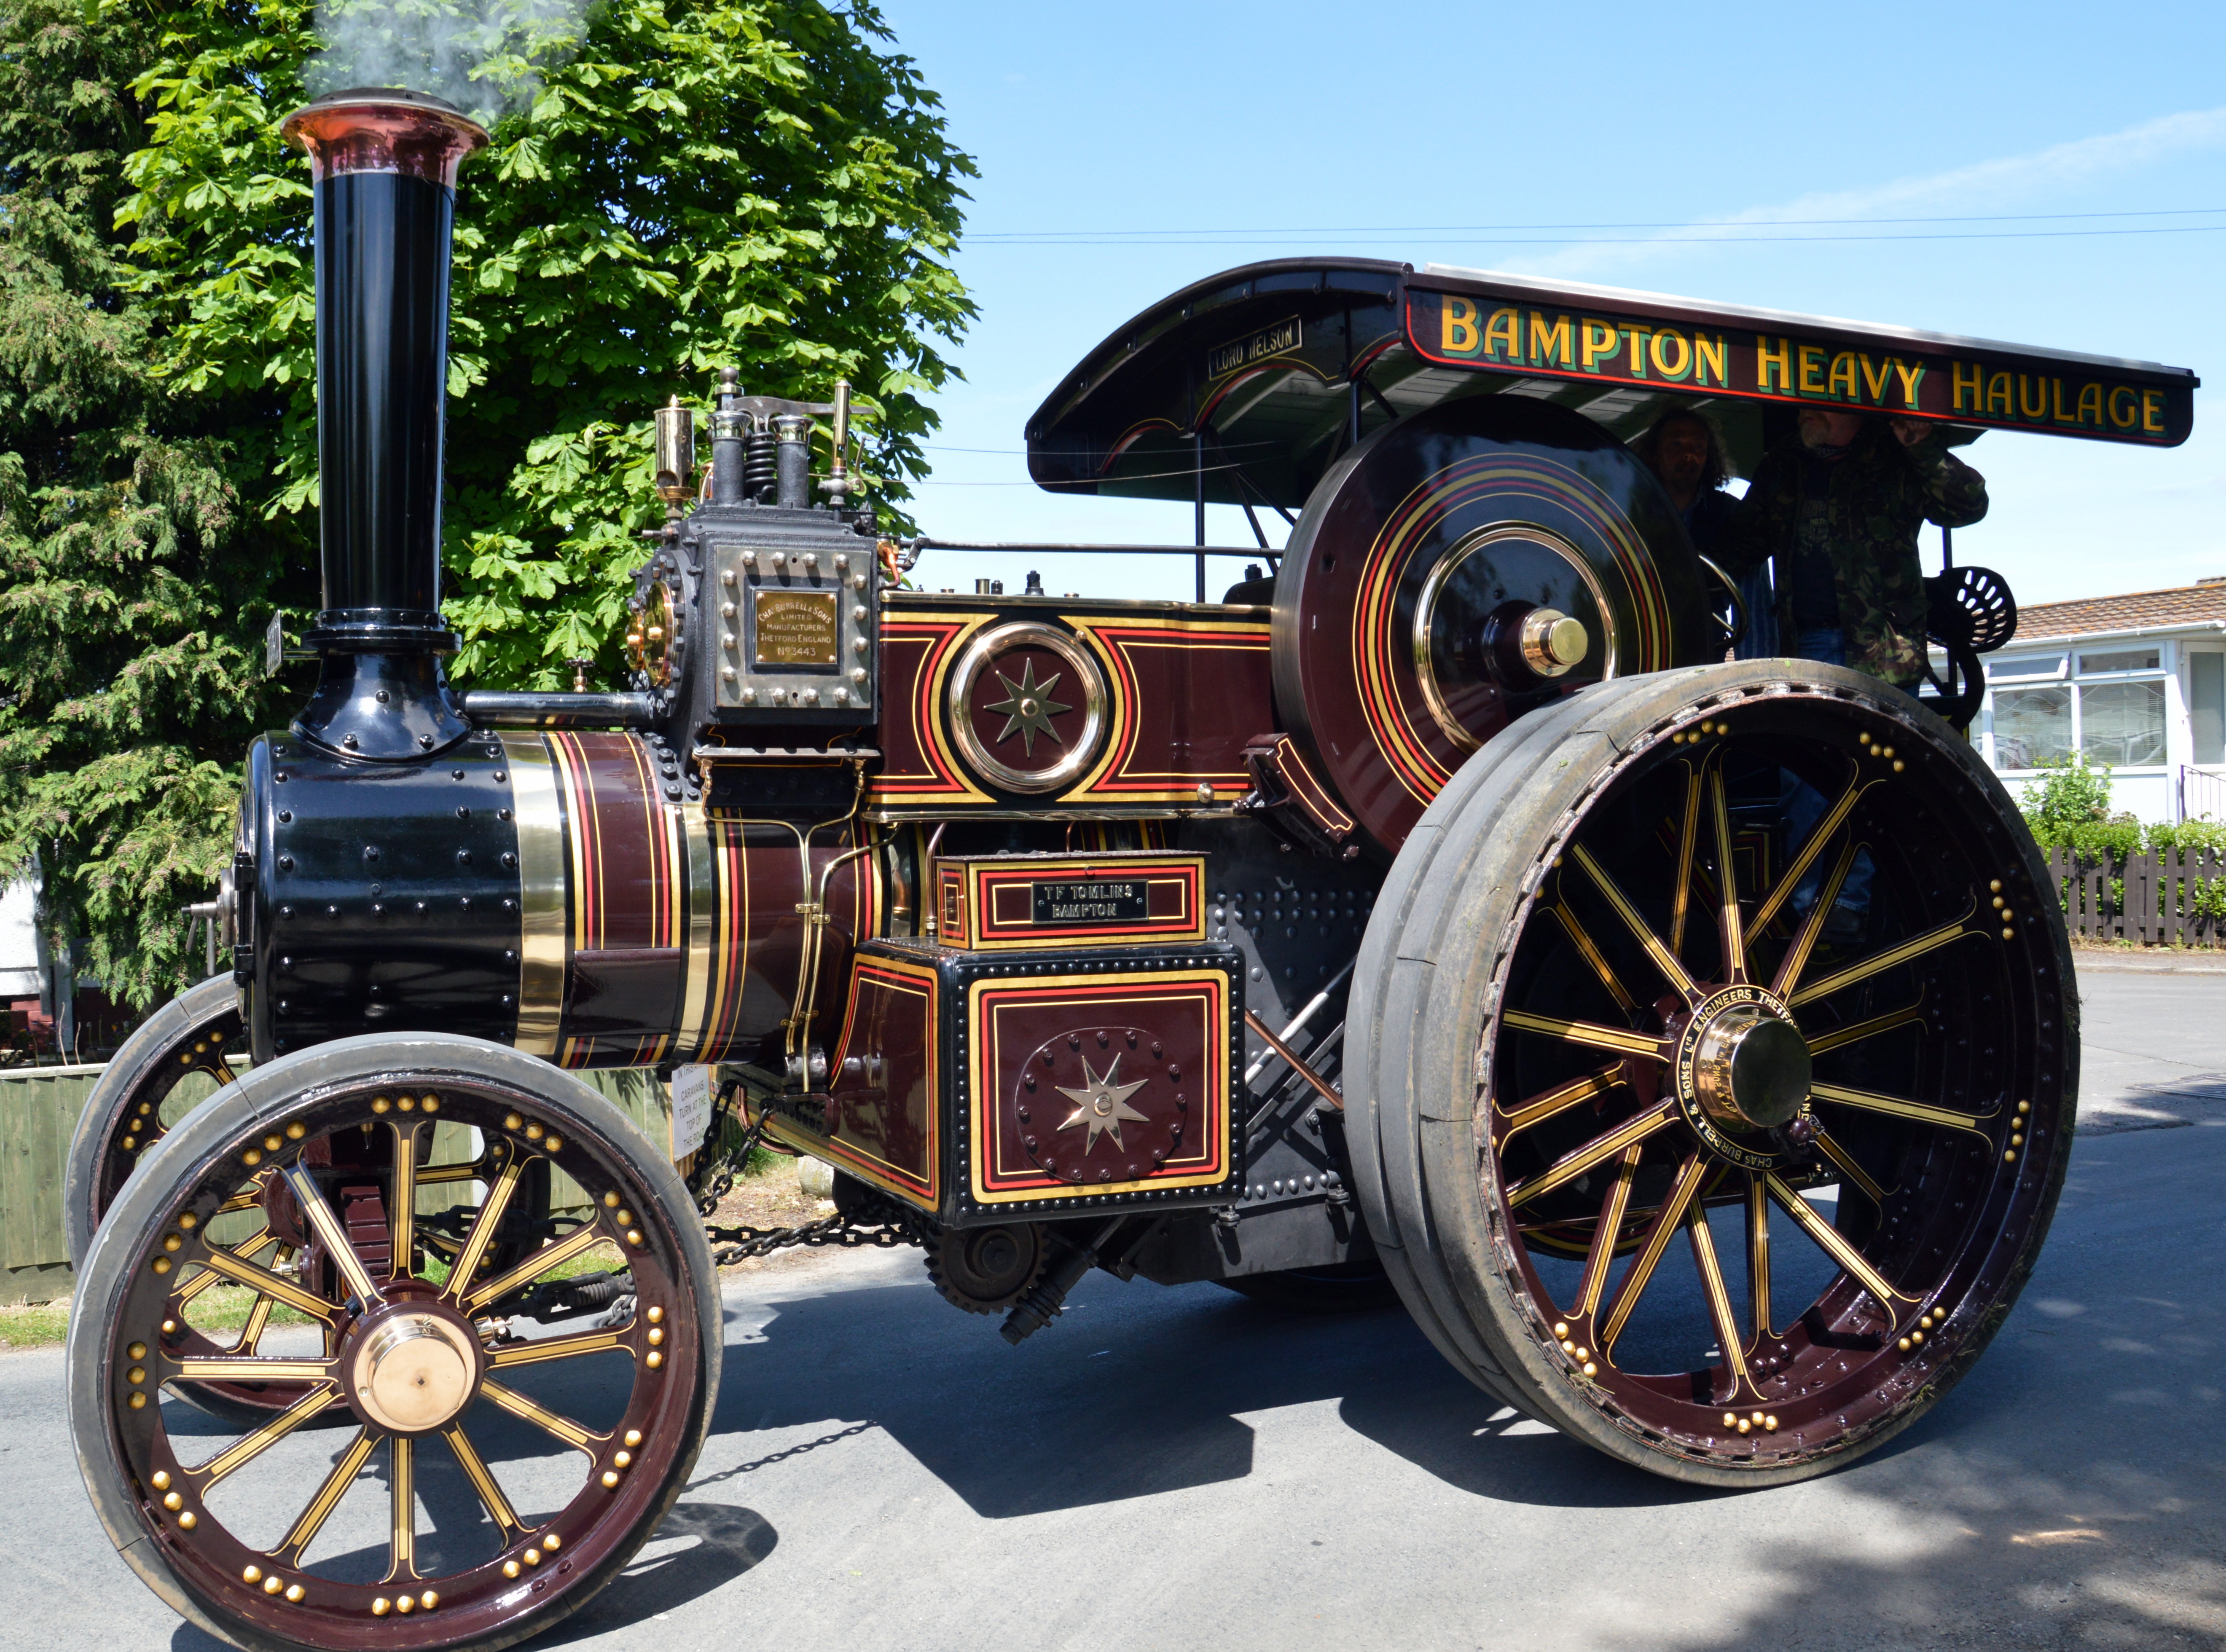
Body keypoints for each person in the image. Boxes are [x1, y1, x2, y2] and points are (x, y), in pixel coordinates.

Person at [1717, 408, 1988, 687]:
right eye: (1801, 401)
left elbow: (1967, 508)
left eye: (1819, 400)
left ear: (1853, 405)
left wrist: (1921, 446)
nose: (1806, 409)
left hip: (1885, 654)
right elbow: (1739, 547)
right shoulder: (1783, 463)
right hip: (1805, 648)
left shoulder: (1894, 454)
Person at [1633, 408, 1773, 658]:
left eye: (1699, 447)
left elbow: (1755, 604)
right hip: (1638, 654)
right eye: (1677, 445)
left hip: (1704, 658)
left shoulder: (1732, 515)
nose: (1689, 455)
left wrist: (1758, 677)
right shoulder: (1629, 512)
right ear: (1655, 453)